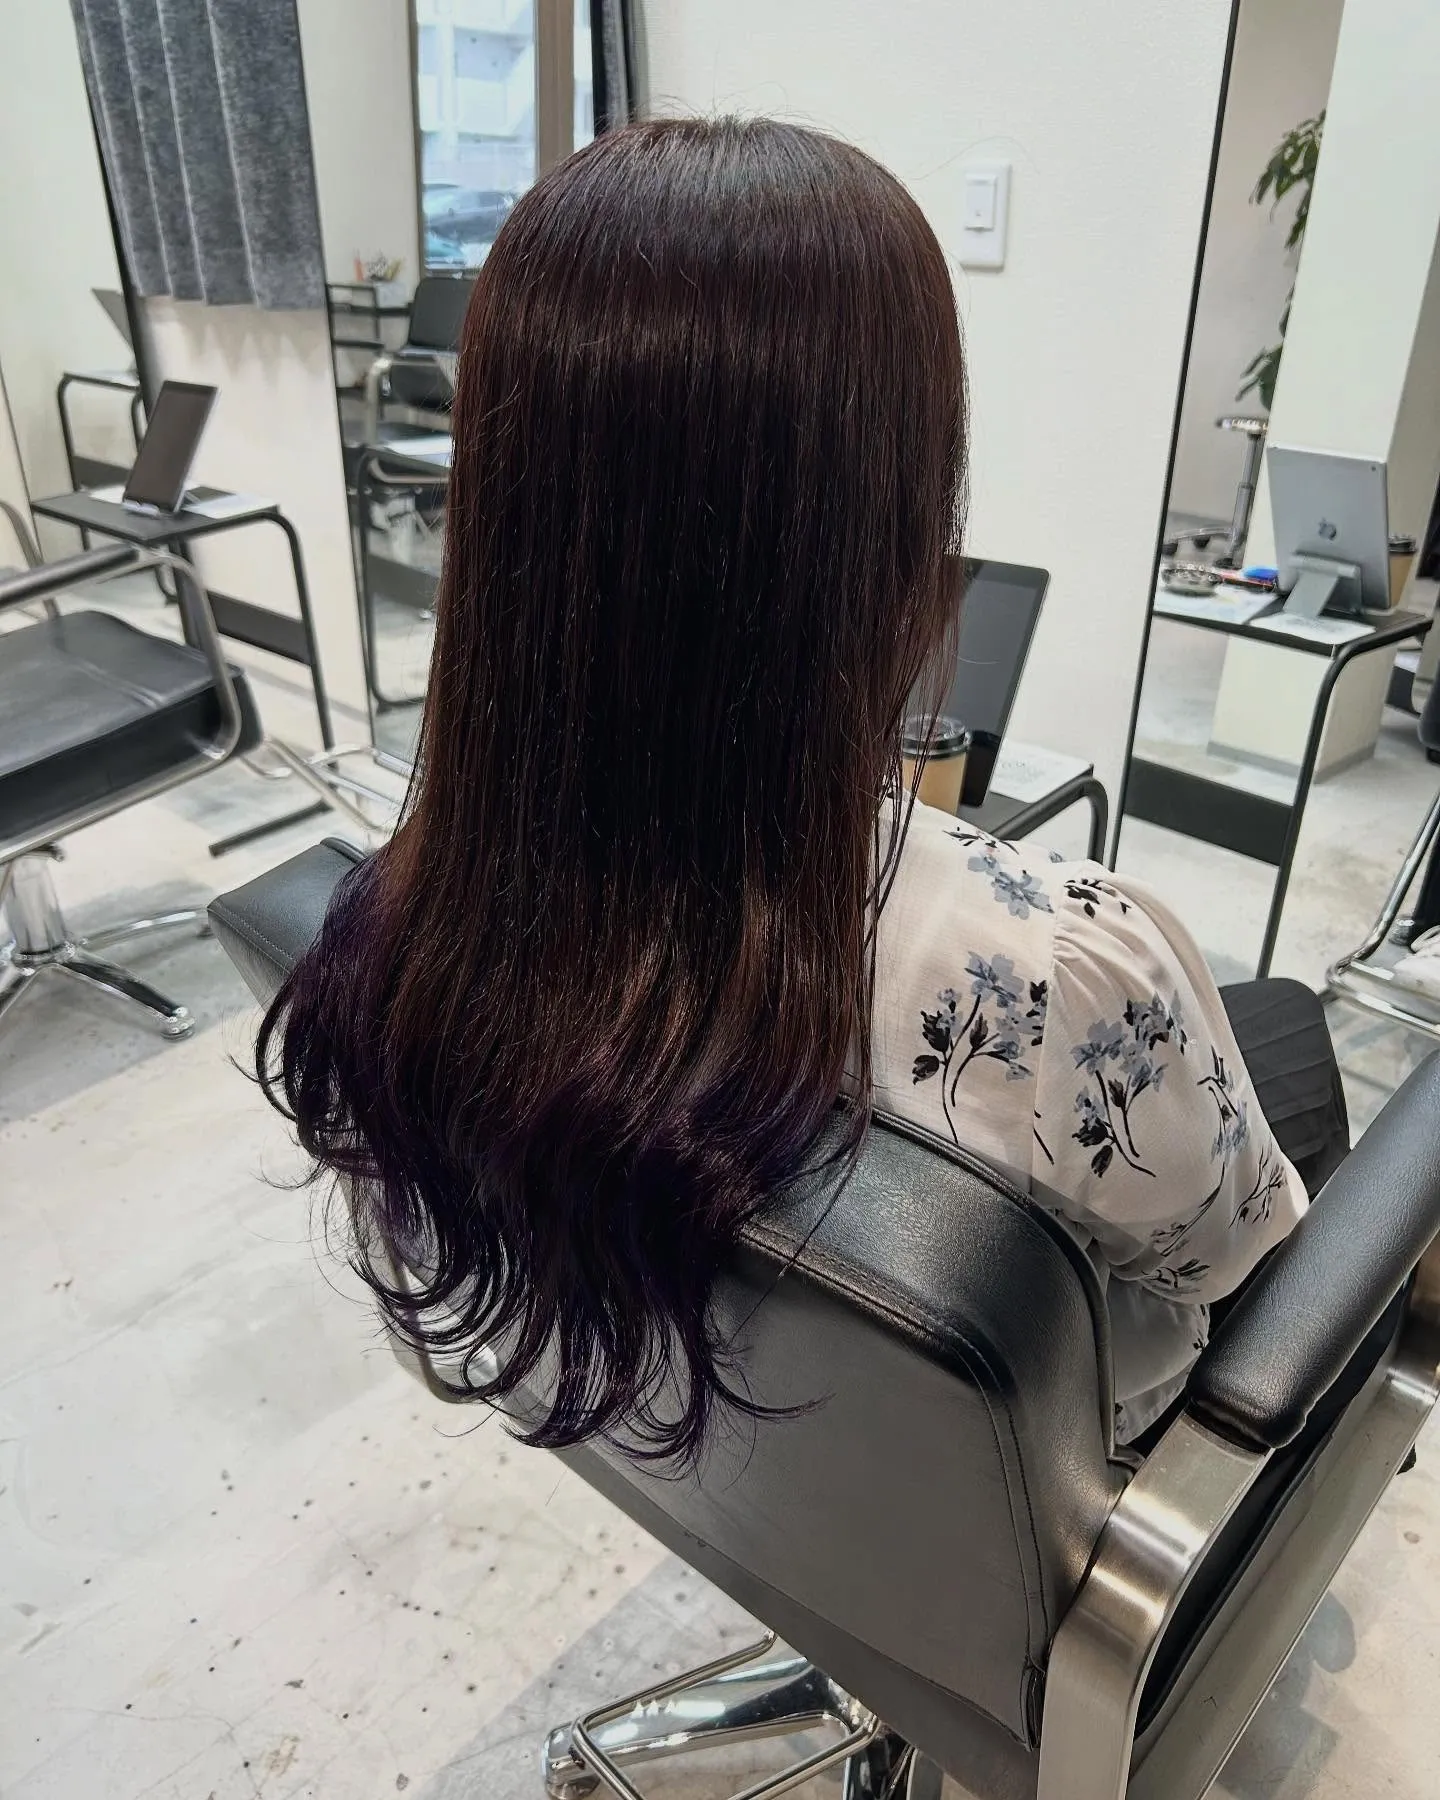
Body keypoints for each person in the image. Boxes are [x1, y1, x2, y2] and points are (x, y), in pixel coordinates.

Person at [259, 117, 1347, 1459]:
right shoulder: (1065, 973)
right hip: (1033, 1484)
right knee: (1296, 1046)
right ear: (891, 529)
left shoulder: (414, 919)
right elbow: (1233, 1261)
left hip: (712, 1443)